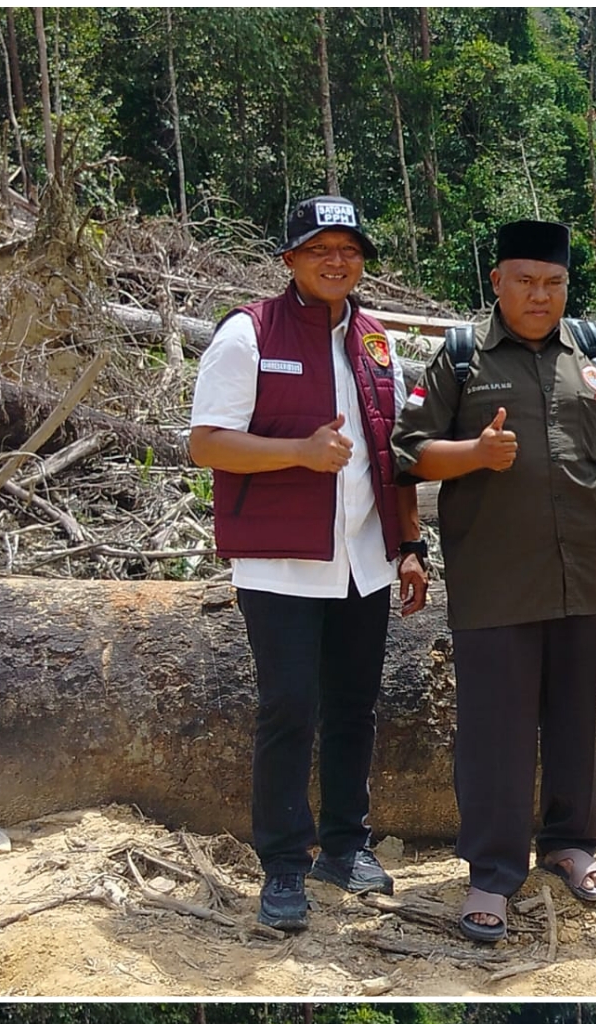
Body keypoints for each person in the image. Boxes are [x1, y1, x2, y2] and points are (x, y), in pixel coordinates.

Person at [390, 219, 596, 945]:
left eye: (553, 283)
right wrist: (475, 453)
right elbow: (410, 455)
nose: (539, 296)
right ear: (497, 282)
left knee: (576, 716)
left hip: (587, 573)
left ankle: (572, 843)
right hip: (496, 580)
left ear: (567, 286)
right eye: (524, 281)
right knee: (495, 732)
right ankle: (491, 872)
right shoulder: (460, 359)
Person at [190, 196, 430, 934]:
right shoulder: (247, 335)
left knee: (354, 706)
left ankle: (345, 846)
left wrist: (412, 543)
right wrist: (297, 451)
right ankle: (285, 865)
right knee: (289, 706)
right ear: (289, 259)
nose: (336, 261)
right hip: (280, 563)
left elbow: (396, 454)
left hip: (364, 558)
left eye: (349, 249)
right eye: (319, 248)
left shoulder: (377, 339)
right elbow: (206, 443)